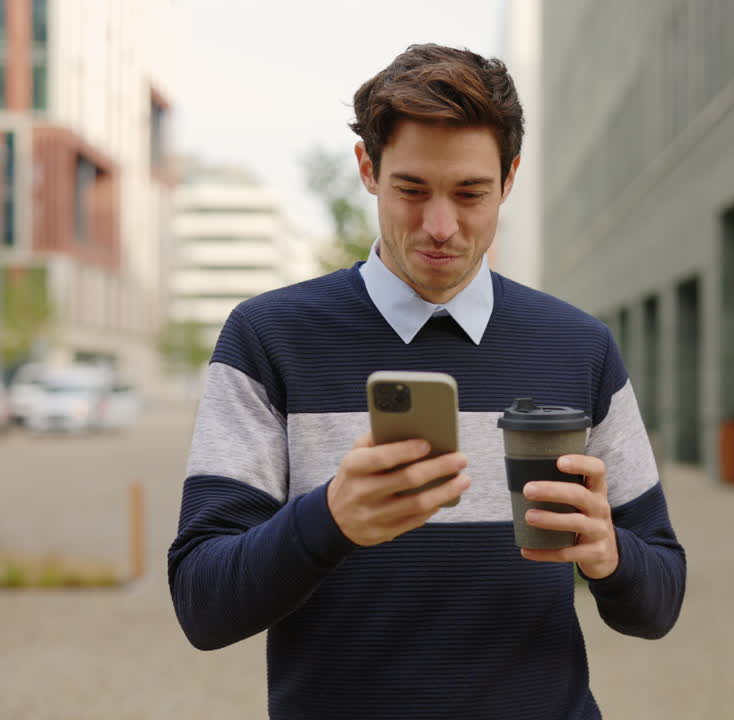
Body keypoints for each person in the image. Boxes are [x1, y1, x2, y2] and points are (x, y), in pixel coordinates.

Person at [168, 43, 686, 719]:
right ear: (368, 170)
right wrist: (327, 521)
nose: (441, 228)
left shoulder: (580, 347)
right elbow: (203, 606)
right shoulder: (269, 339)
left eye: (470, 192)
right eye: (412, 190)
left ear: (510, 178)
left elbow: (662, 600)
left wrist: (610, 554)